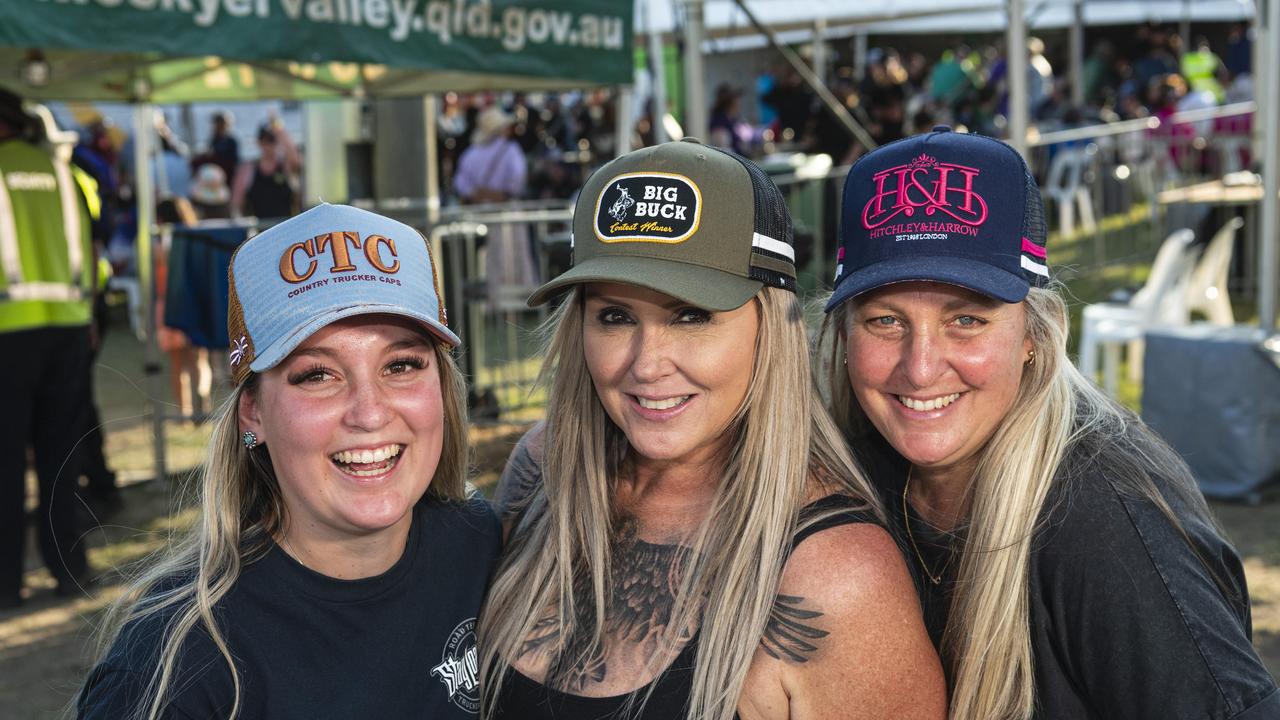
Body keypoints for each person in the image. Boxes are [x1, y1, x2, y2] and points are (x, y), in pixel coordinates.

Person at [820, 126, 1280, 720]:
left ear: (1036, 335)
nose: (921, 366)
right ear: (842, 333)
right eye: (885, 321)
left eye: (966, 319)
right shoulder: (856, 472)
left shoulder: (1102, 521)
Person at [482, 139, 946, 720]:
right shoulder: (541, 471)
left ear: (770, 325)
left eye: (691, 316)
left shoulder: (840, 576)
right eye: (615, 316)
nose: (646, 364)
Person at [77, 203, 501, 718]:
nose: (369, 414)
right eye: (317, 375)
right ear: (252, 412)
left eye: (402, 364)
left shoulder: (480, 546)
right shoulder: (175, 666)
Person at [0, 88, 98, 608]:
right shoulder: (64, 173)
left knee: (5, 463)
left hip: (8, 331)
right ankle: (69, 569)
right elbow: (88, 246)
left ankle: (6, 583)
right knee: (62, 457)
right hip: (67, 327)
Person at [231, 121, 300, 220]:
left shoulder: (285, 166)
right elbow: (236, 203)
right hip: (261, 231)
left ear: (278, 142)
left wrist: (279, 129)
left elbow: (294, 158)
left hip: (287, 230)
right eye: (264, 140)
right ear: (259, 142)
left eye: (271, 140)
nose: (267, 145)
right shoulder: (247, 170)